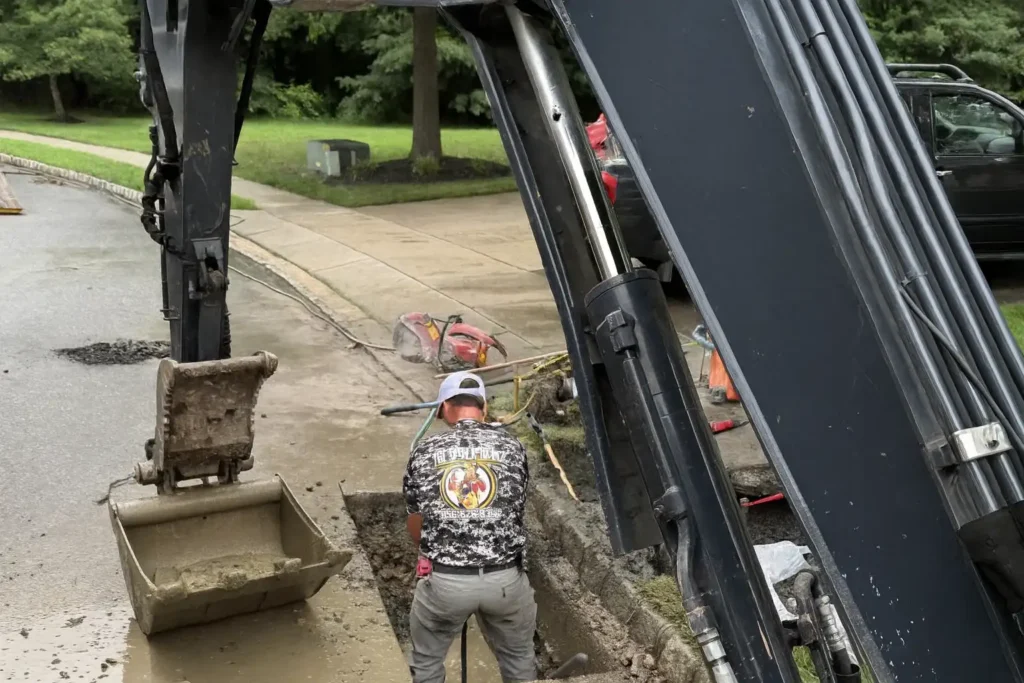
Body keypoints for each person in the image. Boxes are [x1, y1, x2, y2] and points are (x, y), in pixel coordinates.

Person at [402, 371, 537, 683]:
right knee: (519, 660)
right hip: (505, 582)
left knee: (426, 662)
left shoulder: (424, 449)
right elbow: (513, 507)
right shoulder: (513, 447)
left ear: (445, 407)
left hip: (446, 585)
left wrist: (428, 553)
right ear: (483, 408)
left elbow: (415, 519)